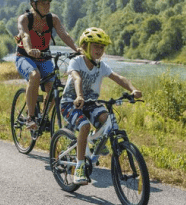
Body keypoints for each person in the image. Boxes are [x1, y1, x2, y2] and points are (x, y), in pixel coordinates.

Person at [59, 27, 141, 185]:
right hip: (71, 103)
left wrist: (133, 89)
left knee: (107, 118)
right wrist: (79, 95)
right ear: (85, 46)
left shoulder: (101, 65)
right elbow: (77, 78)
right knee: (84, 126)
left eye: (102, 47)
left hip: (90, 103)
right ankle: (79, 167)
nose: (99, 50)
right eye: (96, 46)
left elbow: (118, 77)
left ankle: (96, 141)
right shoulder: (77, 61)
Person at [14, 0, 79, 129]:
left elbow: (64, 35)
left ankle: (43, 116)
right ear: (33, 4)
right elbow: (25, 35)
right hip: (24, 56)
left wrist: (77, 49)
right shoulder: (25, 19)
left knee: (53, 86)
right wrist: (30, 50)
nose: (47, 6)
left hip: (44, 57)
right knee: (34, 75)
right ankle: (30, 118)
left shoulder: (53, 19)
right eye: (43, 3)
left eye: (48, 3)